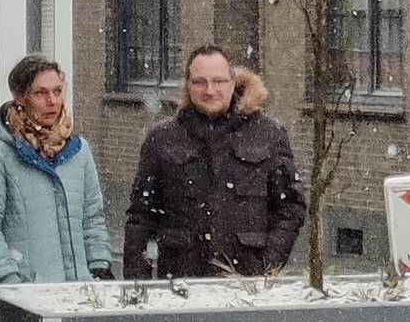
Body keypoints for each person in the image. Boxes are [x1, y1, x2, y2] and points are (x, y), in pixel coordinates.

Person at [123, 45, 306, 279]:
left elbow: (290, 208)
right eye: (200, 82)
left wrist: (266, 265)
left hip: (247, 283)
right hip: (181, 281)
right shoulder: (162, 139)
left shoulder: (269, 135)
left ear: (233, 82)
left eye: (218, 81)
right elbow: (141, 217)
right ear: (188, 85)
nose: (210, 90)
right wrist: (138, 284)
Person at [0, 54, 113, 285]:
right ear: (20, 97)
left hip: (80, 291)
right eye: (40, 93)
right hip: (28, 294)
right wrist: (9, 278)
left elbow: (92, 218)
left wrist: (99, 266)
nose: (52, 101)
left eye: (57, 91)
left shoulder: (79, 151)